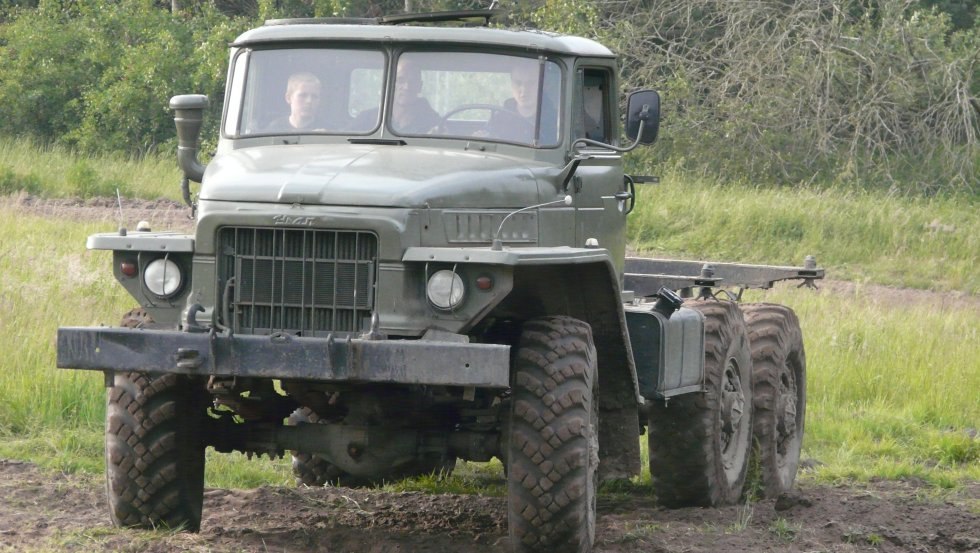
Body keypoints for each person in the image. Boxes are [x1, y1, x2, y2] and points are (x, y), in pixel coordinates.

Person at [489, 60, 559, 145]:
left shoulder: (556, 121)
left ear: (542, 85)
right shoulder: (500, 117)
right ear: (511, 84)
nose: (524, 90)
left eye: (531, 83)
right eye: (518, 83)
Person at [391, 58, 441, 134]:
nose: (407, 87)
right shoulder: (371, 119)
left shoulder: (433, 122)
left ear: (420, 86)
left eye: (413, 81)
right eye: (400, 80)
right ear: (390, 83)